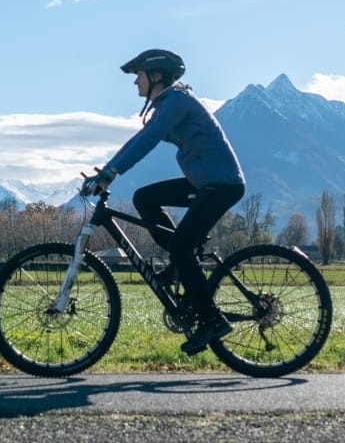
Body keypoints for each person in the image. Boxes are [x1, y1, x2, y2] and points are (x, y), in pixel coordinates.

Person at [80, 48, 246, 354]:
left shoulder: (178, 101)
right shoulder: (169, 104)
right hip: (206, 181)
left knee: (182, 246)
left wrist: (111, 172)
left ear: (156, 76)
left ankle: (211, 320)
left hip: (221, 184)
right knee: (146, 197)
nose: (135, 83)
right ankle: (180, 266)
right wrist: (106, 170)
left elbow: (148, 139)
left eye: (138, 76)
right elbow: (138, 139)